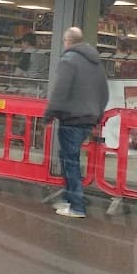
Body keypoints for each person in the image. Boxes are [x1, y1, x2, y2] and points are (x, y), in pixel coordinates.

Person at [43, 27, 109, 219]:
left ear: (67, 41)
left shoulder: (68, 61)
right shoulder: (96, 63)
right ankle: (68, 198)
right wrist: (97, 115)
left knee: (69, 161)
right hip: (88, 118)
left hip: (71, 118)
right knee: (71, 159)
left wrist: (49, 114)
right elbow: (104, 92)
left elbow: (60, 90)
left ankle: (77, 205)